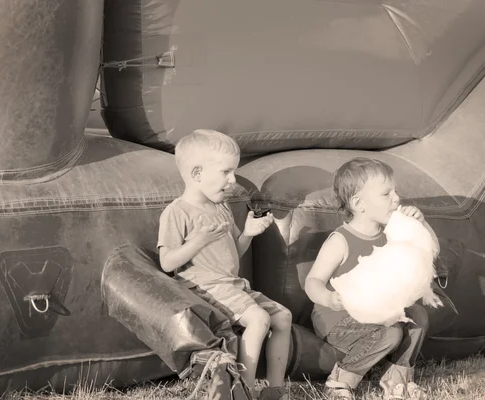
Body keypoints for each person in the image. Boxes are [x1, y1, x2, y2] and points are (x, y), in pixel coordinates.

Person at [157, 129, 292, 400]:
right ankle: (244, 390)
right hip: (205, 288)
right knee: (259, 319)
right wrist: (198, 242)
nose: (232, 180)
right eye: (226, 172)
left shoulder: (221, 207)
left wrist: (248, 234)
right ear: (197, 174)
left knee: (283, 317)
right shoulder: (178, 212)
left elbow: (234, 252)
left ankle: (276, 390)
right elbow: (166, 262)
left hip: (233, 286)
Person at [305, 157, 438, 400]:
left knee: (418, 316)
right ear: (358, 203)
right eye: (386, 194)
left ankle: (396, 382)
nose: (396, 199)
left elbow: (430, 251)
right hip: (338, 319)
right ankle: (340, 381)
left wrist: (422, 225)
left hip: (380, 313)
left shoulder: (393, 233)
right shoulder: (340, 240)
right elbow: (312, 281)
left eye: (396, 192)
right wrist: (328, 298)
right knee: (390, 334)